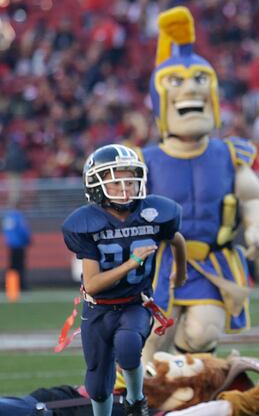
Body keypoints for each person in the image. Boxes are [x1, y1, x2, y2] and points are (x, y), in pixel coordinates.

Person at [139, 7, 259, 364]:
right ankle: (135, 398)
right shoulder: (145, 160)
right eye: (177, 83)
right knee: (148, 342)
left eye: (200, 81)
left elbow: (252, 196)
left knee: (203, 332)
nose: (190, 90)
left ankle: (187, 390)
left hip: (211, 262)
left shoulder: (229, 154)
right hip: (159, 264)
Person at [62, 144, 187, 416]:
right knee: (97, 379)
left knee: (129, 346)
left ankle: (135, 400)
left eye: (130, 181)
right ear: (96, 185)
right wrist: (133, 262)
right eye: (117, 183)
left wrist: (181, 270)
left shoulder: (154, 211)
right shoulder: (85, 223)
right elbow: (93, 284)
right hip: (99, 307)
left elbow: (176, 238)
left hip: (135, 302)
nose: (125, 189)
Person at [3, 200, 31, 291]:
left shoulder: (8, 216)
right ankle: (21, 285)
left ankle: (9, 286)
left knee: (12, 266)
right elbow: (23, 230)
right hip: (19, 244)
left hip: (11, 244)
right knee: (20, 266)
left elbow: (6, 231)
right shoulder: (18, 216)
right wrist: (28, 240)